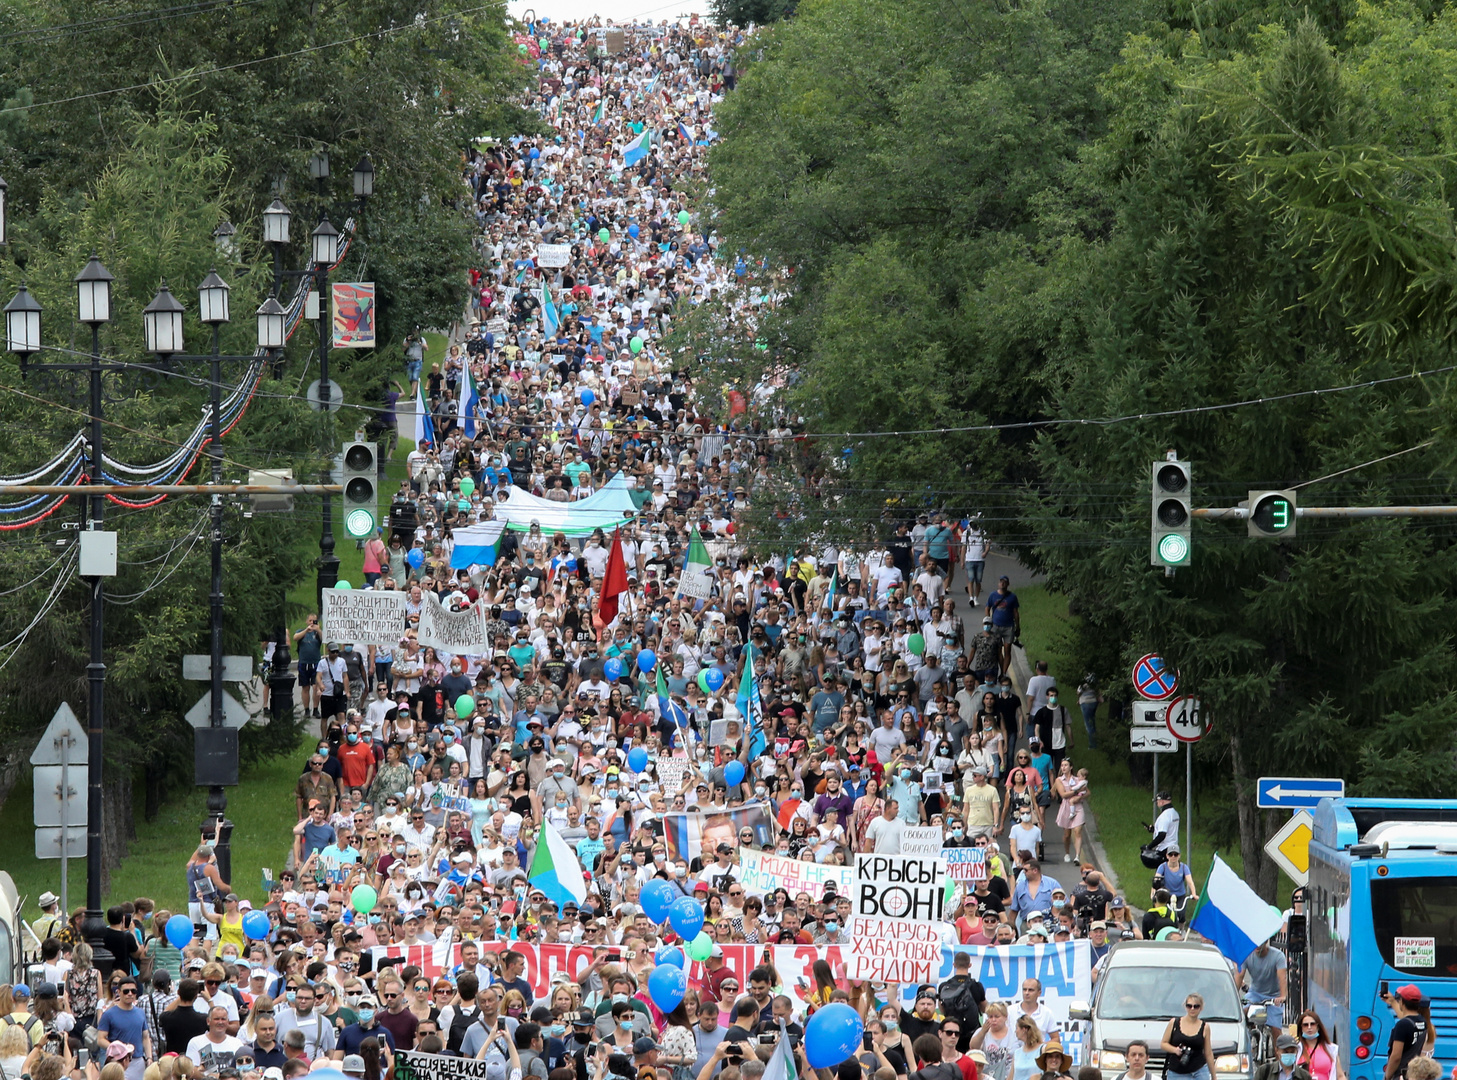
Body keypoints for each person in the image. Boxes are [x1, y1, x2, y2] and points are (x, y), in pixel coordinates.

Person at [1383, 985, 1434, 1080]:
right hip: (1413, 1073)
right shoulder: (1422, 1021)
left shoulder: (1402, 1025)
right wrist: (1392, 1002)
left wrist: (1387, 1076)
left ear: (1401, 1001)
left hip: (1401, 1075)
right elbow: (1408, 1021)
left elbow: (1396, 1056)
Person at [938, 953, 985, 1051]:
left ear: (954, 965)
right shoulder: (976, 986)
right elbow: (984, 1008)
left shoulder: (943, 986)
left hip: (951, 1032)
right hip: (972, 1033)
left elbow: (942, 1009)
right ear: (970, 965)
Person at [1240, 938, 1288, 1033]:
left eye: (1260, 942)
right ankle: (1250, 1037)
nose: (1257, 946)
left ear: (1266, 942)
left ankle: (1277, 1048)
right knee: (1242, 1013)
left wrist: (1282, 996)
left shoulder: (1278, 956)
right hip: (1255, 993)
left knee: (1275, 1029)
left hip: (1274, 996)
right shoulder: (1246, 955)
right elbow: (1239, 976)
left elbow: (1282, 978)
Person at [1161, 993, 1210, 1080]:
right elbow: (1163, 1044)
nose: (1192, 1009)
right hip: (1177, 1072)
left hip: (1199, 1071)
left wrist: (1214, 1076)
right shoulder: (1174, 1023)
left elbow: (1208, 1053)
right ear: (1185, 1006)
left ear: (1201, 1008)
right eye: (1189, 1006)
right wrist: (1175, 1050)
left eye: (1196, 1006)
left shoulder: (1205, 1027)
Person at [1294, 1010, 1342, 1080]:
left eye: (1312, 1024)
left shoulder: (1331, 1049)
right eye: (1305, 1025)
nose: (1309, 1027)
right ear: (1301, 1028)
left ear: (1318, 1026)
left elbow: (1340, 1076)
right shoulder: (1296, 1049)